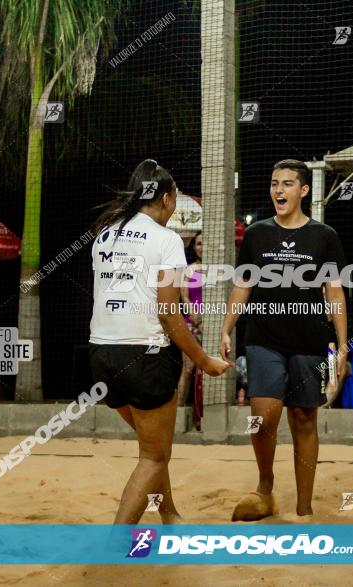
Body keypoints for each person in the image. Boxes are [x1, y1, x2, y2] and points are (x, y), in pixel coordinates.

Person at [88, 160, 229, 524]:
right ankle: (114, 544)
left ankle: (170, 516)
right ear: (166, 199)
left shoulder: (105, 234)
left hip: (101, 354)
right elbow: (169, 314)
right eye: (176, 201)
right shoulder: (166, 240)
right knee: (153, 457)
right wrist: (204, 361)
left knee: (154, 448)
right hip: (144, 355)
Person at [221, 159, 348, 521]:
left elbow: (335, 293)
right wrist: (226, 328)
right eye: (274, 183)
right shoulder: (258, 234)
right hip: (264, 337)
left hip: (309, 340)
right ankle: (265, 482)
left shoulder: (324, 236)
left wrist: (341, 346)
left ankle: (305, 507)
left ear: (304, 191)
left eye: (287, 184)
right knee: (263, 416)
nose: (278, 190)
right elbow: (243, 284)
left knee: (304, 418)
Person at [177, 231, 203, 430]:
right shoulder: (189, 270)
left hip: (211, 326)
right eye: (198, 243)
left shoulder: (219, 270)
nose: (201, 247)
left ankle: (200, 418)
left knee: (210, 372)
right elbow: (184, 297)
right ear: (194, 247)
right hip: (191, 323)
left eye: (204, 243)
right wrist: (194, 316)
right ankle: (177, 415)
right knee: (188, 369)